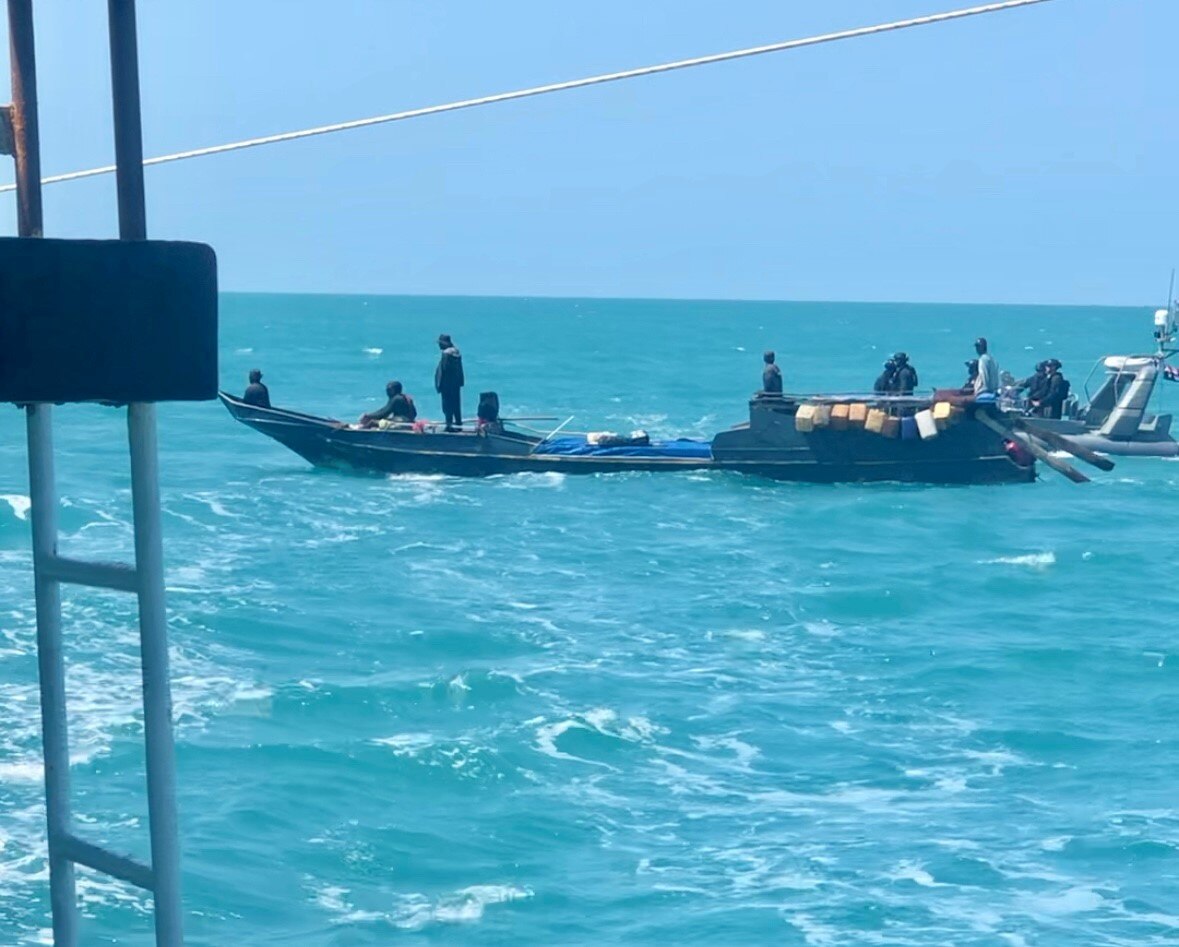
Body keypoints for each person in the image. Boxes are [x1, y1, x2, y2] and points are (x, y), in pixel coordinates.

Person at [435, 333, 465, 431]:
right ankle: (458, 424)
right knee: (456, 405)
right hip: (456, 385)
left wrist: (439, 385)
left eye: (440, 343)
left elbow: (443, 371)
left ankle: (449, 426)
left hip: (447, 385)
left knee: (447, 406)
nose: (439, 345)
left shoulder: (446, 354)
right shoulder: (456, 353)